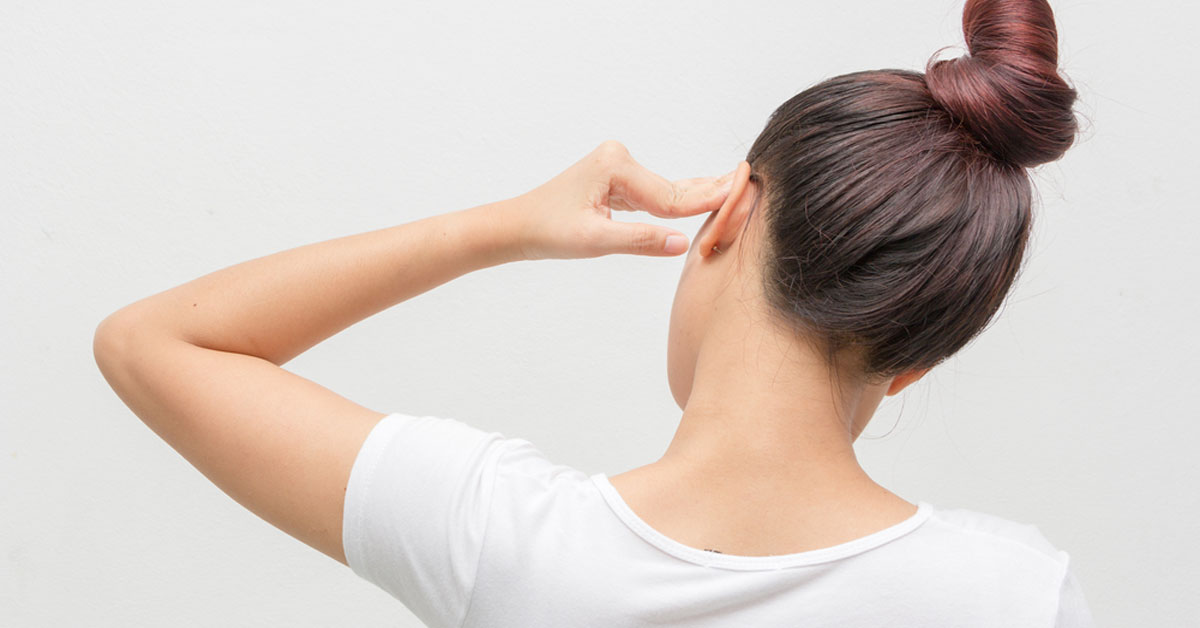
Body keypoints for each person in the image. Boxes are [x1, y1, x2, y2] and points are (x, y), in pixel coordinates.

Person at [93, 0, 1096, 625]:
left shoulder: (502, 542)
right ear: (917, 357)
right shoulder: (1012, 595)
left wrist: (501, 228)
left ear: (729, 214)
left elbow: (153, 342)